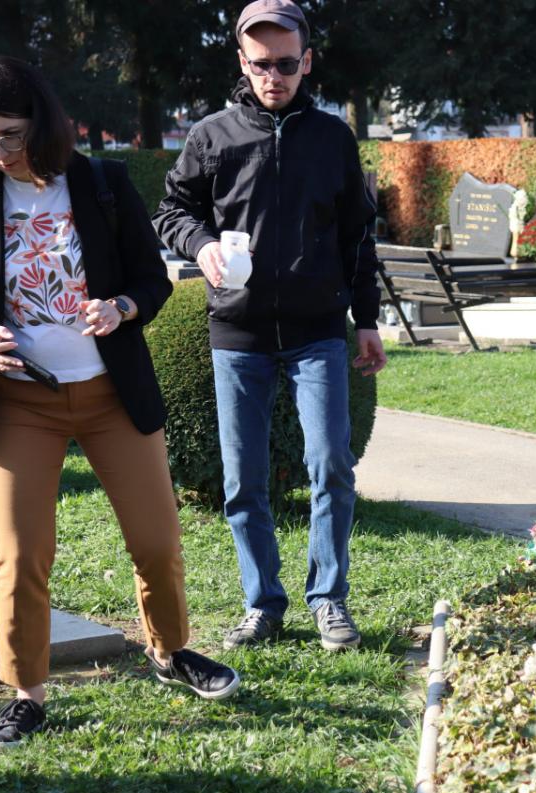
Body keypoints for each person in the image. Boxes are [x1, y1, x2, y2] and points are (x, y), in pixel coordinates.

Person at [0, 57, 239, 753]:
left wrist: (121, 306)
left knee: (157, 540)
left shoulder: (102, 183)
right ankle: (26, 695)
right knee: (20, 555)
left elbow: (153, 281)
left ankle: (169, 651)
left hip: (111, 395)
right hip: (20, 401)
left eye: (9, 134)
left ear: (41, 121)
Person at [153, 0, 386, 652]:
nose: (273, 76)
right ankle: (262, 604)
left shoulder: (332, 137)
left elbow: (357, 235)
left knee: (331, 466)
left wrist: (367, 319)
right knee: (243, 482)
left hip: (318, 332)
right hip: (238, 332)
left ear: (306, 62)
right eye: (261, 64)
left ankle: (329, 598)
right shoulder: (212, 136)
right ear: (242, 62)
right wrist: (200, 244)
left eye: (286, 64)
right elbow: (172, 211)